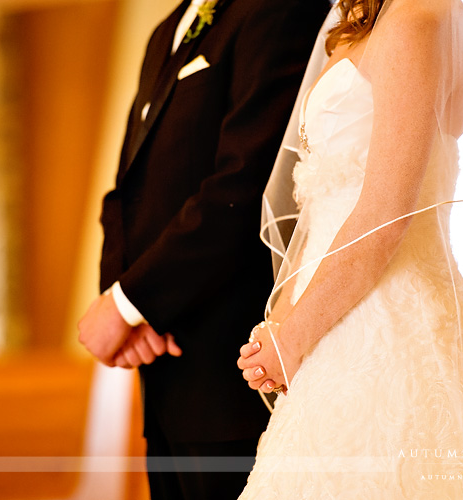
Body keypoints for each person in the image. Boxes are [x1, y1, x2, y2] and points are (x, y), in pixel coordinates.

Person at [237, 0, 463, 498]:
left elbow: (383, 217)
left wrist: (292, 340)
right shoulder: (370, 23)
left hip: (384, 313)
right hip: (329, 308)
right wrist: (285, 318)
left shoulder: (421, 16)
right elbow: (321, 203)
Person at [77, 1, 330, 499]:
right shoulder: (165, 31)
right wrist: (123, 301)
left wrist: (130, 303)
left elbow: (242, 187)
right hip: (164, 369)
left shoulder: (275, 11)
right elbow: (126, 189)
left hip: (231, 374)